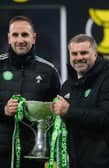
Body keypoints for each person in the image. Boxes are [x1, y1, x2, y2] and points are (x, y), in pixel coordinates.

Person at [52, 34, 109, 168]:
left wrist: (68, 111)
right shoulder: (67, 86)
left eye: (84, 53)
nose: (79, 58)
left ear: (95, 54)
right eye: (74, 54)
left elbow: (106, 117)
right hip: (78, 163)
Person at [0, 16, 61, 168]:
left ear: (33, 38)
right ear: (9, 38)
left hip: (33, 154)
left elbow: (56, 115)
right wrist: (4, 109)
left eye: (25, 35)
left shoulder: (49, 71)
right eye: (15, 35)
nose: (20, 40)